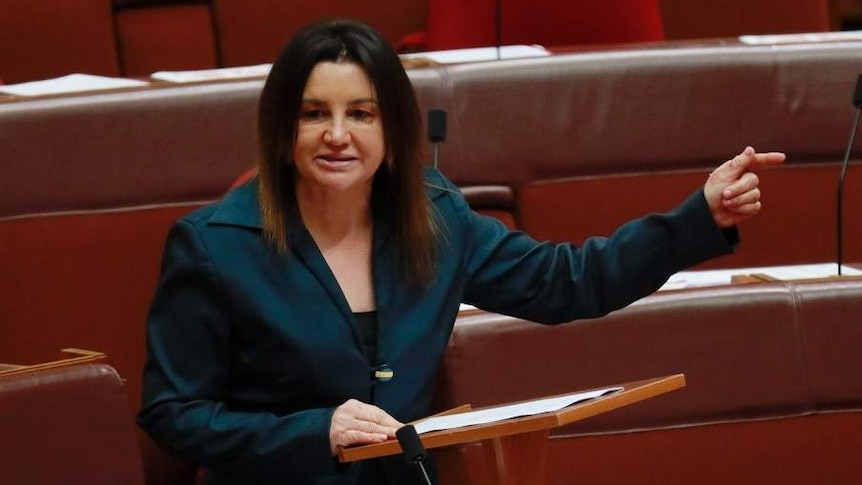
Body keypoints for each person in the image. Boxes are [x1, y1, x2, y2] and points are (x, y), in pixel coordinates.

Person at [137, 18, 786, 485]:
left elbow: (571, 282)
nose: (338, 135)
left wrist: (699, 216)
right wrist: (315, 432)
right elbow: (172, 415)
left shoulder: (436, 217)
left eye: (361, 113)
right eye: (314, 114)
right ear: (282, 129)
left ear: (392, 128)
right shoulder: (215, 246)